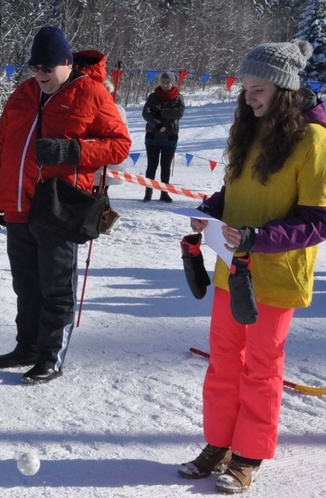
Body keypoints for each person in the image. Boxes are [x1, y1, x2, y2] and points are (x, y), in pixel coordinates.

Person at [178, 40, 326, 494]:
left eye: (258, 89)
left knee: (261, 367)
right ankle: (218, 444)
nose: (249, 98)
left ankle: (249, 454)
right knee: (223, 362)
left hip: (277, 276)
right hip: (231, 268)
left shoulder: (314, 140)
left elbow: (318, 221)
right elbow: (235, 191)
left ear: (284, 90)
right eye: (245, 88)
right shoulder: (250, 129)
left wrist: (260, 239)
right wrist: (210, 208)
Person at [0, 26, 130, 384]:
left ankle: (51, 356)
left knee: (56, 286)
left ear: (66, 63)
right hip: (18, 205)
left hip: (58, 205)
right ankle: (28, 346)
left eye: (48, 67)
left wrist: (74, 150)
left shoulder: (91, 93)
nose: (41, 74)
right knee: (26, 284)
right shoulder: (22, 93)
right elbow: (2, 145)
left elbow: (120, 145)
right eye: (35, 67)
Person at [141, 71, 185, 202]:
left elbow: (178, 113)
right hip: (152, 136)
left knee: (165, 166)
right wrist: (157, 124)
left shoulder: (178, 97)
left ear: (172, 83)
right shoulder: (153, 97)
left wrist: (160, 112)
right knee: (151, 166)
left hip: (170, 136)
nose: (165, 85)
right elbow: (146, 113)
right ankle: (148, 191)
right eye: (163, 82)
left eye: (168, 82)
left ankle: (164, 192)